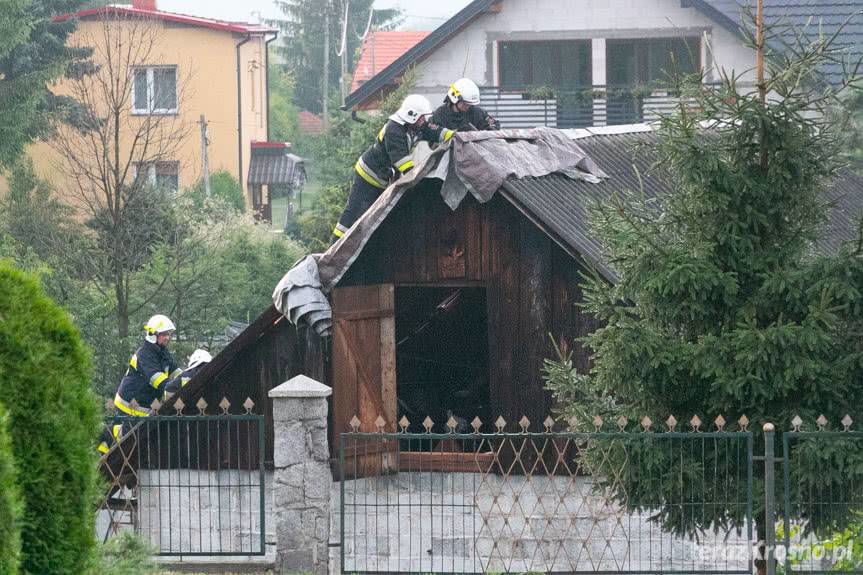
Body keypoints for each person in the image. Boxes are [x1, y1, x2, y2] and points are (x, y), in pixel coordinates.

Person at [331, 94, 454, 243]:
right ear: (412, 115)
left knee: (374, 217)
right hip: (367, 175)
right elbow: (403, 163)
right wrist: (418, 181)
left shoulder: (416, 126)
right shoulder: (394, 129)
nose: (424, 121)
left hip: (382, 179)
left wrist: (456, 137)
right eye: (421, 118)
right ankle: (334, 246)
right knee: (354, 212)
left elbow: (437, 132)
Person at [113, 314, 182, 417]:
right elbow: (158, 381)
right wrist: (173, 388)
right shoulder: (144, 354)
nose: (167, 338)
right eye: (163, 334)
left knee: (144, 433)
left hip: (146, 405)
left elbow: (176, 373)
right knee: (125, 432)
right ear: (152, 335)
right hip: (129, 405)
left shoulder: (163, 352)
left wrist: (189, 379)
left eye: (168, 334)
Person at [431, 78, 499, 132]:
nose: (468, 107)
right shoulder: (440, 114)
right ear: (455, 98)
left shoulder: (477, 112)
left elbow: (493, 125)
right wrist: (457, 133)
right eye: (465, 104)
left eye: (470, 104)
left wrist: (491, 129)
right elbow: (434, 140)